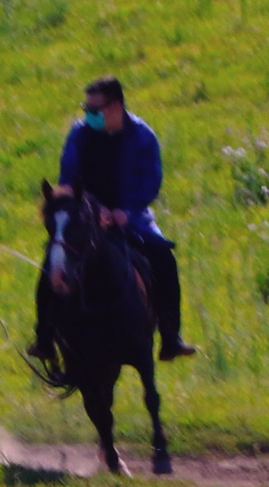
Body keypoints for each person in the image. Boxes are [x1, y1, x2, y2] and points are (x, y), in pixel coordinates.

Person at [55, 76, 194, 359]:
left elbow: (150, 183)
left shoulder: (143, 136)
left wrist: (124, 213)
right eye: (86, 109)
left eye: (95, 110)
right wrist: (89, 208)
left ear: (115, 106)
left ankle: (171, 336)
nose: (88, 116)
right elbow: (67, 178)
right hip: (86, 217)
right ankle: (45, 335)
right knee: (55, 258)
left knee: (164, 260)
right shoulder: (79, 134)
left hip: (131, 218)